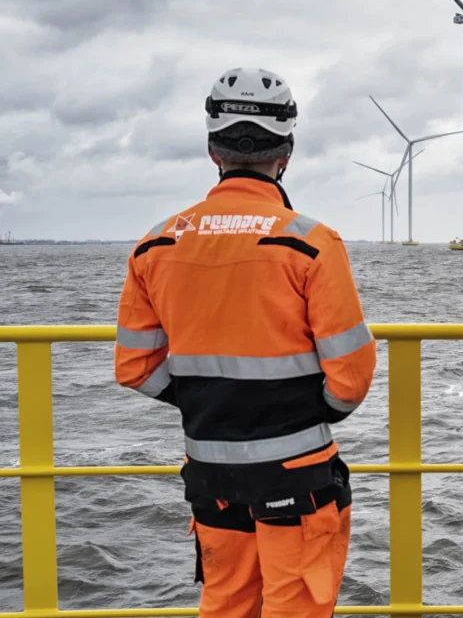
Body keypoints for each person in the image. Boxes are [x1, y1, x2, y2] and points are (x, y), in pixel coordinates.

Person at [114, 67, 376, 618]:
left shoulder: (154, 245)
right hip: (298, 475)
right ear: (286, 152)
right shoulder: (310, 244)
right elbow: (351, 379)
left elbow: (135, 366)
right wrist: (301, 412)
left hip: (211, 473)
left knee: (226, 605)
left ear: (214, 150)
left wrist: (205, 399)